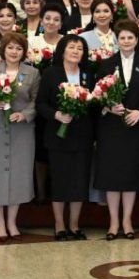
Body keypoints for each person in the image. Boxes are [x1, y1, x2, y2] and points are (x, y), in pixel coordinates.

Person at [0, 32, 39, 241]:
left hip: (21, 130)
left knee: (19, 175)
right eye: (10, 47)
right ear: (3, 49)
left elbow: (36, 101)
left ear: (24, 52)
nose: (14, 52)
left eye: (19, 48)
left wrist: (25, 114)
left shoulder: (32, 73)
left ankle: (12, 221)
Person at [95, 21, 139, 240]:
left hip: (134, 126)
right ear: (117, 40)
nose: (126, 41)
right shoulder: (106, 64)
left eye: (130, 37)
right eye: (122, 38)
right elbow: (97, 93)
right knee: (112, 173)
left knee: (130, 172)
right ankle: (113, 222)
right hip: (111, 127)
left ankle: (127, 220)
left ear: (137, 40)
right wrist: (108, 107)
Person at [37, 34, 95, 240]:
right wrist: (57, 115)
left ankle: (74, 225)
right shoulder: (50, 74)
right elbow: (40, 103)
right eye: (72, 47)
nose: (76, 51)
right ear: (62, 50)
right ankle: (59, 225)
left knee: (80, 180)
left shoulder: (88, 75)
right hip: (58, 135)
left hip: (82, 135)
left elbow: (93, 105)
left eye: (80, 48)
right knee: (60, 181)